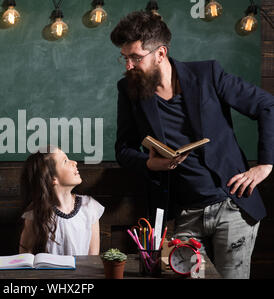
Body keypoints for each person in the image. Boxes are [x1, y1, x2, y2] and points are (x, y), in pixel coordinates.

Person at [110, 11, 273, 278]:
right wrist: (151, 163)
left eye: (135, 58)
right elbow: (123, 149)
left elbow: (267, 105)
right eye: (124, 57)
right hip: (183, 213)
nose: (128, 65)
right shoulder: (128, 89)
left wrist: (265, 165)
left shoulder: (208, 73)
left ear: (160, 53)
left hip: (231, 205)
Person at [19, 146, 104, 255]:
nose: (75, 162)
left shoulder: (89, 207)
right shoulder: (35, 214)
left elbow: (93, 256)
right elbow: (25, 252)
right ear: (53, 178)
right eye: (65, 161)